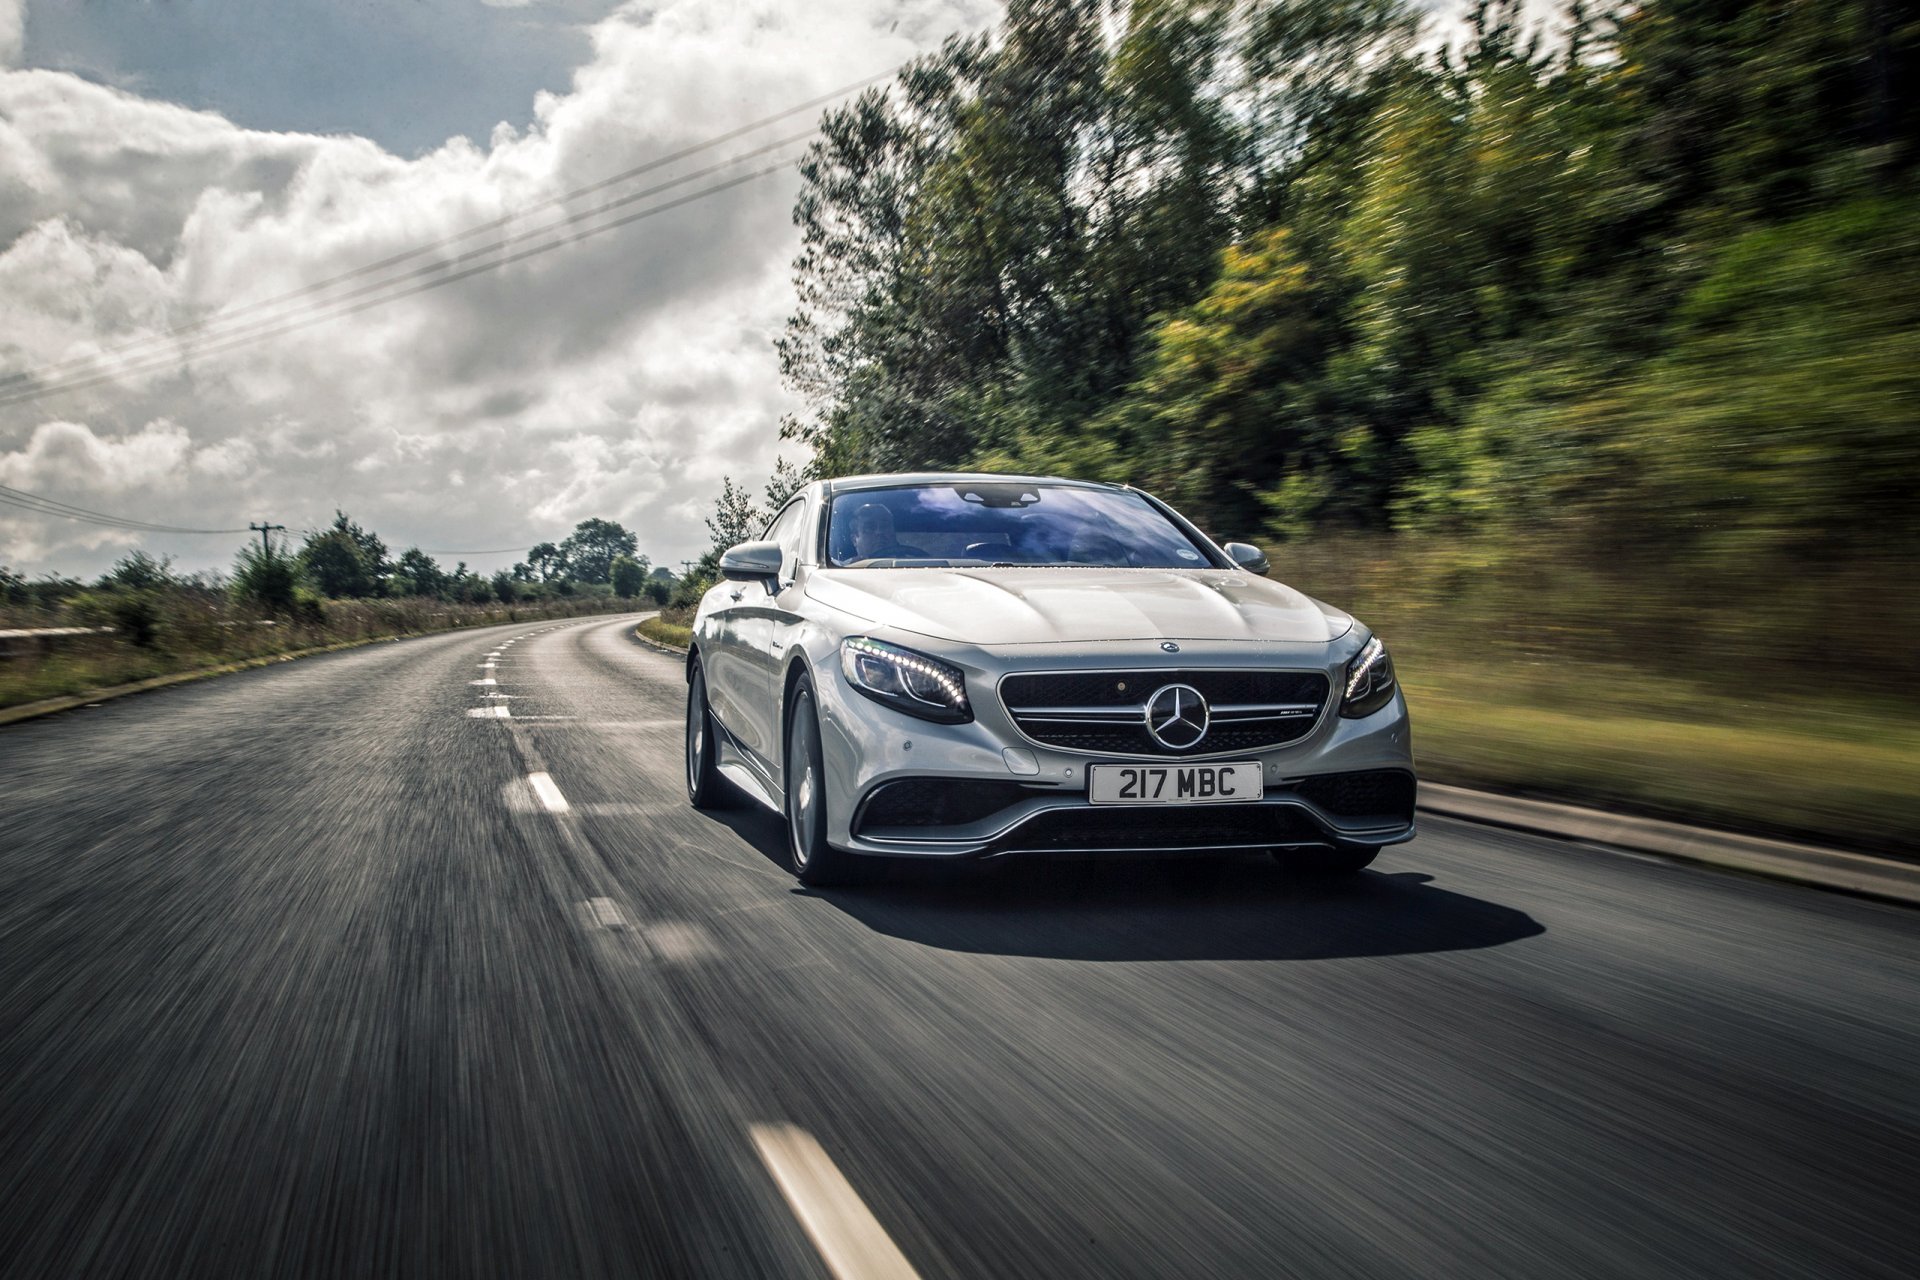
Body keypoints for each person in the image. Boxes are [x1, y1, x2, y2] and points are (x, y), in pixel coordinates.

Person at [848, 503, 927, 561]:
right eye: (869, 528)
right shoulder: (842, 571)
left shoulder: (915, 564)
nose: (879, 532)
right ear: (854, 540)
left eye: (885, 527)